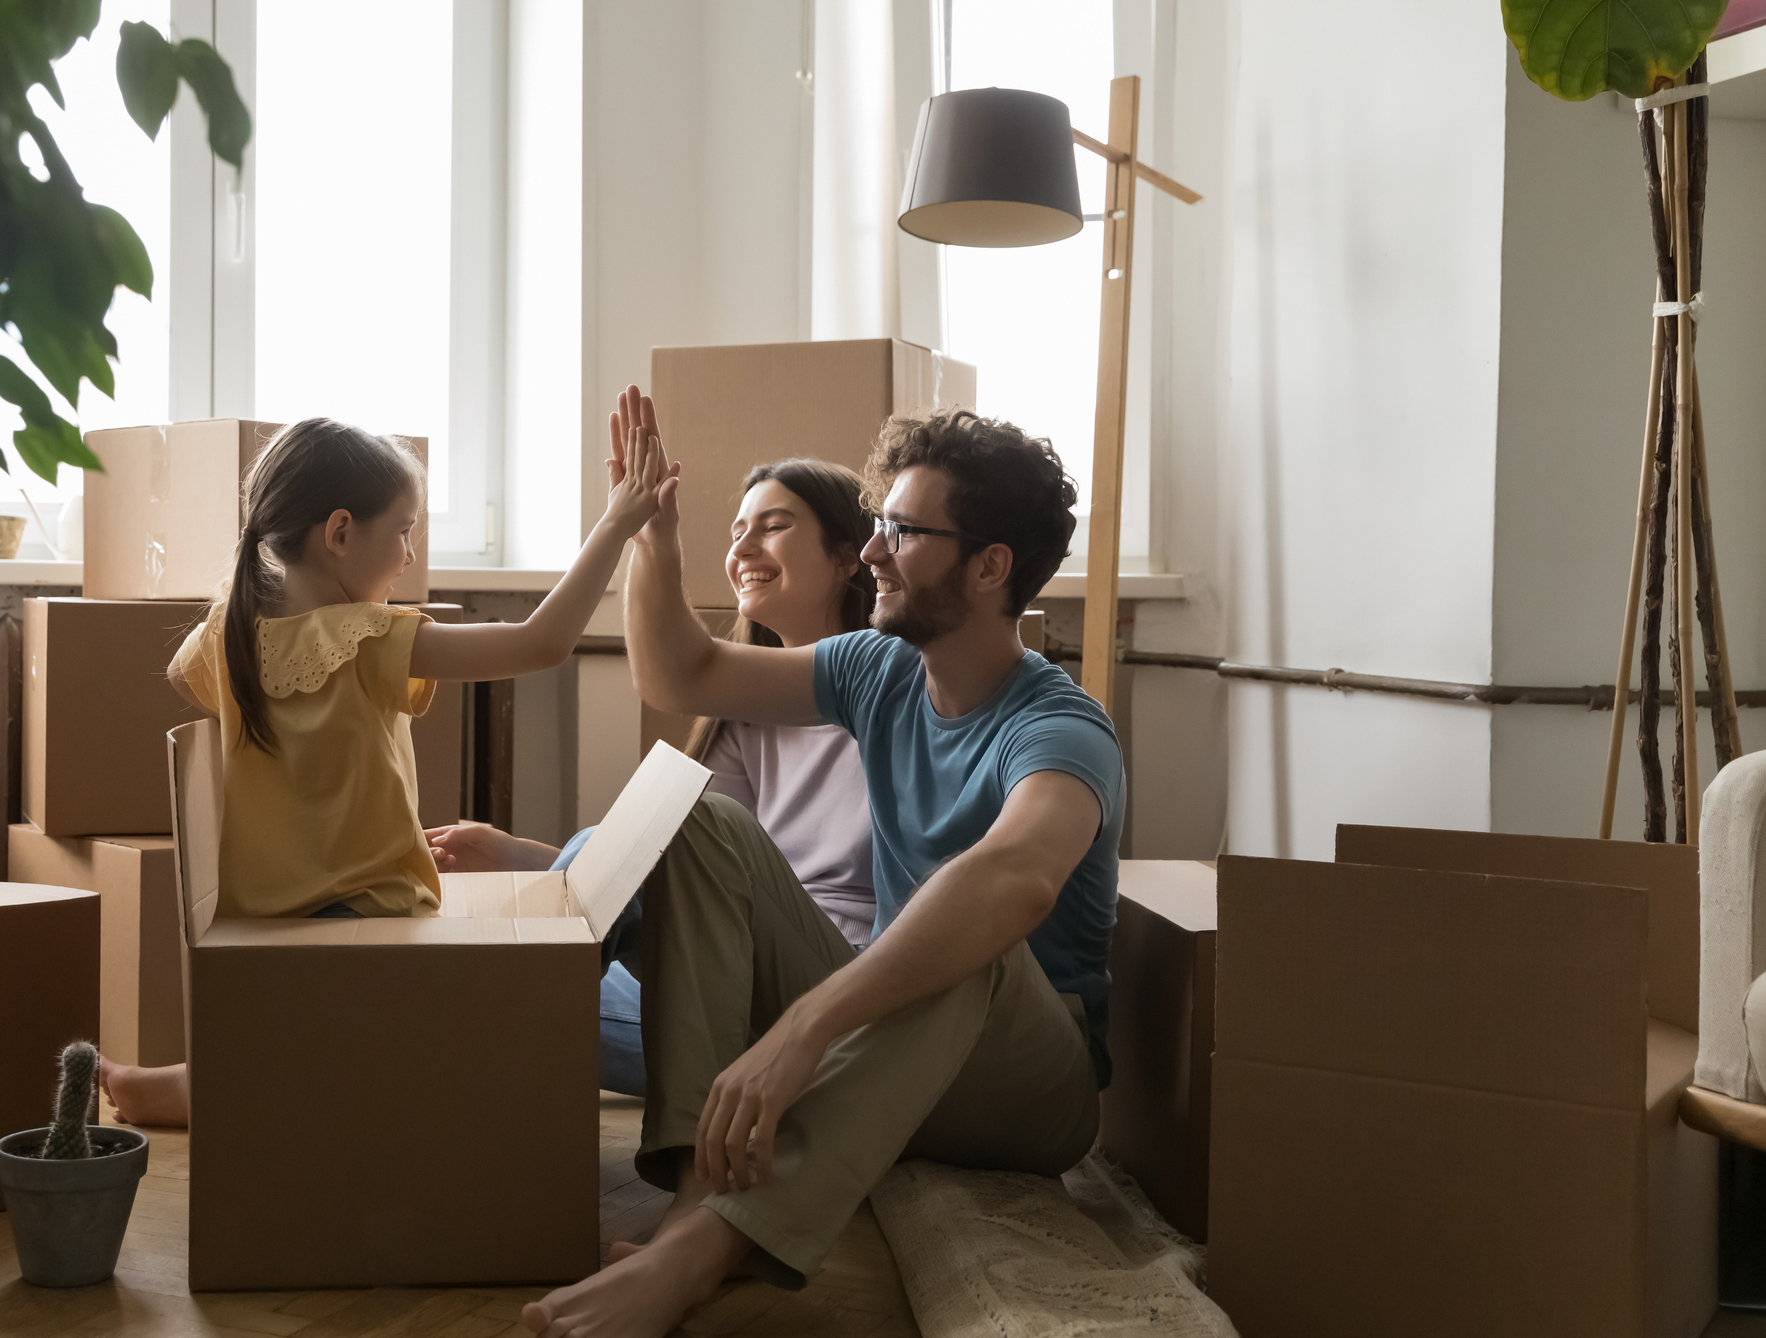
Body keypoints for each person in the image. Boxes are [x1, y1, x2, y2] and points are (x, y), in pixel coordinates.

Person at [522, 391, 1120, 1338]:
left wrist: (805, 1025)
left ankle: (704, 1250)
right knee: (695, 818)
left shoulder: (1058, 728)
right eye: (877, 526)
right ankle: (695, 1186)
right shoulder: (877, 670)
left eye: (904, 532)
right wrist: (653, 539)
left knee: (962, 933)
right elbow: (680, 676)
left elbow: (1015, 876)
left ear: (989, 567)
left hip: (1025, 1089)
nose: (873, 552)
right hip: (897, 1050)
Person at [100, 411, 673, 1127]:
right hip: (372, 925)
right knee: (576, 951)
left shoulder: (227, 634)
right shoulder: (363, 639)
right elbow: (542, 642)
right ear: (339, 533)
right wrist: (616, 526)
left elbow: (188, 682)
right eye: (403, 530)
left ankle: (203, 1080)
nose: (408, 554)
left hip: (264, 935)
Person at [425, 459, 880, 1094]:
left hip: (834, 990)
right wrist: (529, 859)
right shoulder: (746, 710)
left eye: (773, 527)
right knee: (502, 985)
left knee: (526, 1003)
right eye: (736, 531)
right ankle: (491, 1028)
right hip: (734, 969)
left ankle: (482, 1046)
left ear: (849, 556)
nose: (744, 548)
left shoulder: (897, 689)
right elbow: (680, 864)